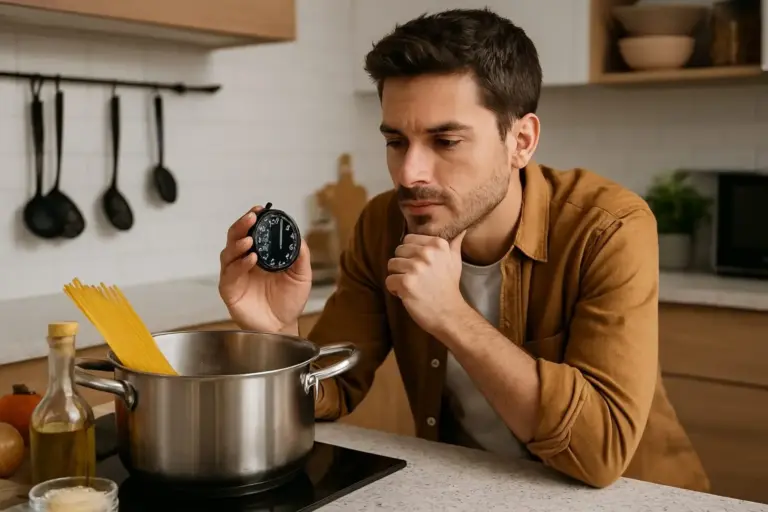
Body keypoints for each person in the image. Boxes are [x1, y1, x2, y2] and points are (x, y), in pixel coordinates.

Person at [218, 8, 710, 492]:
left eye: (446, 141)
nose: (410, 173)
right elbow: (332, 390)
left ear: (521, 140)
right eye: (395, 141)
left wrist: (450, 314)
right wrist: (279, 336)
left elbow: (601, 451)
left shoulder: (608, 228)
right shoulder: (383, 225)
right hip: (472, 490)